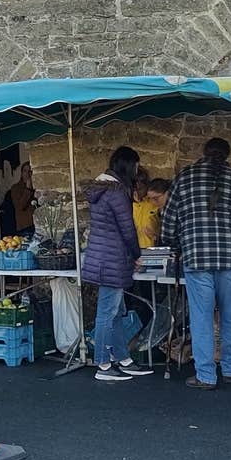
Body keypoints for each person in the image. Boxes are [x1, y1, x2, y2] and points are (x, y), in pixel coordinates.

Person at [160, 138, 231, 390]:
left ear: (203, 153)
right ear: (227, 155)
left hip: (196, 257)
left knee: (201, 317)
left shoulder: (185, 178)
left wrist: (175, 246)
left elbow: (169, 221)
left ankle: (206, 375)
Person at [80, 146, 154, 382]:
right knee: (107, 313)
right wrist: (136, 254)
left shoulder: (102, 190)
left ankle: (124, 359)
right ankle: (102, 363)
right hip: (112, 260)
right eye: (135, 165)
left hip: (102, 258)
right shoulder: (116, 192)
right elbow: (127, 228)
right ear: (127, 166)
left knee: (117, 312)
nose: (137, 170)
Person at [133, 175, 172, 249]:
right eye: (150, 199)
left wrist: (156, 236)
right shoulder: (132, 205)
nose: (153, 202)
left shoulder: (172, 211)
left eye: (156, 198)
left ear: (167, 193)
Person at [1, 161, 37, 237]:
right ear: (21, 173)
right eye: (25, 171)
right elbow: (20, 206)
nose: (27, 174)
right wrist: (27, 189)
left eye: (29, 171)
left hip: (37, 224)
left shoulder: (36, 186)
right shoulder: (16, 188)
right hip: (25, 226)